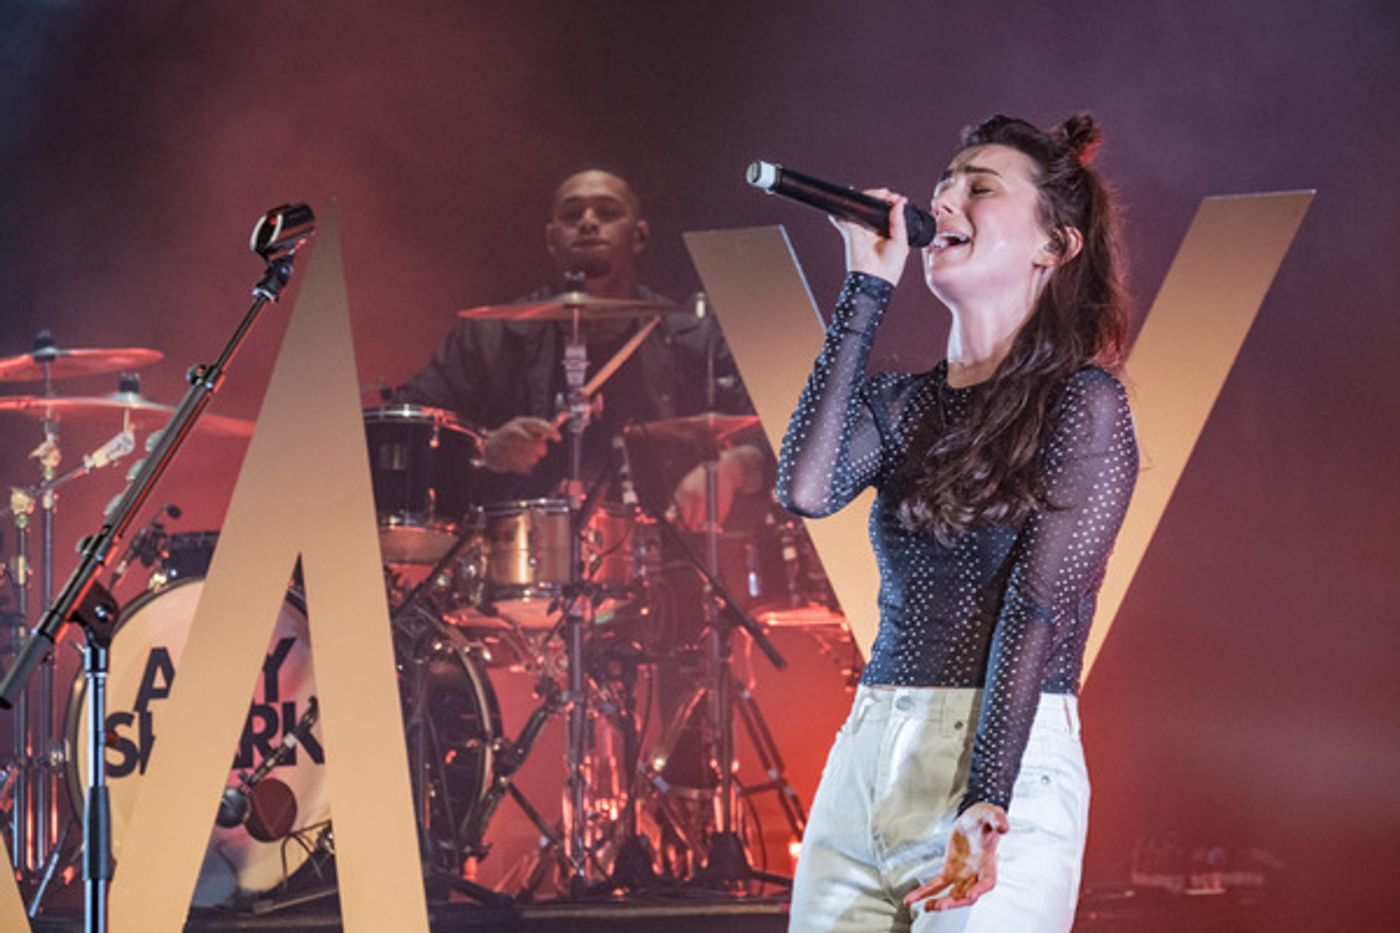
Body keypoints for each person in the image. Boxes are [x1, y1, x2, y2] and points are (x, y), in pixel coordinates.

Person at [777, 114, 1139, 932]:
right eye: (944, 182)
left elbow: (1040, 607)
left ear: (1055, 246)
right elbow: (806, 488)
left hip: (1000, 758)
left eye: (980, 187)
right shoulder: (902, 404)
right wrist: (867, 284)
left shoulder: (1082, 403)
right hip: (869, 753)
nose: (944, 198)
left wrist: (988, 796)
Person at [396, 168, 768, 524]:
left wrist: (735, 468)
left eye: (607, 212)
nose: (589, 222)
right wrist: (482, 448)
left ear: (638, 236)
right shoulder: (491, 338)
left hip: (665, 565)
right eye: (573, 214)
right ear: (550, 239)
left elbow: (787, 433)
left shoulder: (692, 340)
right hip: (519, 562)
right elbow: (402, 429)